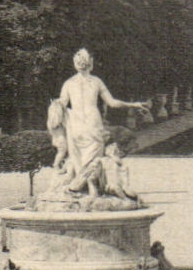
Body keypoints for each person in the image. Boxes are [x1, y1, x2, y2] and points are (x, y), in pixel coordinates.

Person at [57, 49, 144, 183]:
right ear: (91, 63)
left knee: (78, 156)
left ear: (75, 63)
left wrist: (55, 108)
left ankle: (81, 184)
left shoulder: (69, 83)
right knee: (93, 158)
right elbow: (112, 103)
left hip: (76, 123)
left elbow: (61, 105)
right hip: (91, 122)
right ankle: (88, 184)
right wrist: (132, 104)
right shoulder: (96, 82)